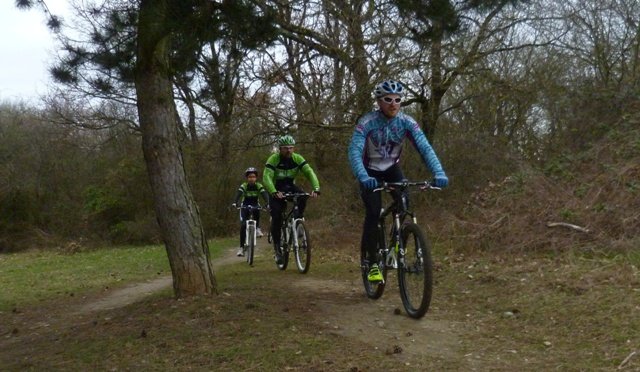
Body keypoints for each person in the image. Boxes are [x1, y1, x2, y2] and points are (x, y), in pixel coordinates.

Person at [348, 79, 449, 282]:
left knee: (405, 205)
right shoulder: (367, 122)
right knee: (374, 213)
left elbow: (425, 148)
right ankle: (373, 262)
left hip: (392, 168)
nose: (393, 103)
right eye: (388, 99)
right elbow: (354, 151)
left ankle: (395, 246)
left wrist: (439, 173)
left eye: (397, 99)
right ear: (379, 101)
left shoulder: (407, 122)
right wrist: (363, 176)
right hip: (369, 172)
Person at [263, 135, 320, 264]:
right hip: (276, 188)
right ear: (280, 149)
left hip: (290, 186)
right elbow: (266, 177)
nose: (288, 151)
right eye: (285, 148)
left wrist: (316, 188)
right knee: (277, 215)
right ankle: (277, 249)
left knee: (303, 197)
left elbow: (309, 172)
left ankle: (298, 222)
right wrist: (273, 192)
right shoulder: (274, 159)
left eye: (291, 148)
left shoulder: (297, 158)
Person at [232, 167, 270, 257]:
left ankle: (257, 228)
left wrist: (268, 202)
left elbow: (264, 194)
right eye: (249, 177)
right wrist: (235, 202)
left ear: (256, 178)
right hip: (244, 205)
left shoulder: (258, 185)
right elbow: (239, 193)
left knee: (257, 210)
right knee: (244, 225)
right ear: (247, 178)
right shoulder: (244, 185)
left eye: (253, 176)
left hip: (255, 204)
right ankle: (241, 248)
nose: (251, 178)